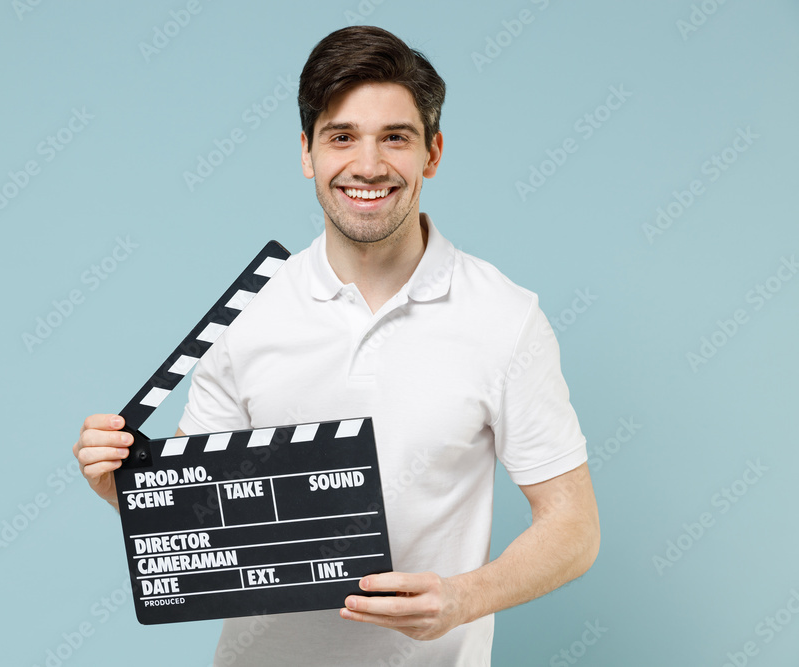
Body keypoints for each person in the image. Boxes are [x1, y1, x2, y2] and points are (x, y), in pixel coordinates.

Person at [73, 25, 599, 666]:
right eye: (341, 136)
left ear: (432, 154)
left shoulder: (504, 318)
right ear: (307, 153)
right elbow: (204, 522)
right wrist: (129, 490)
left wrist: (463, 598)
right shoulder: (244, 315)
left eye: (396, 138)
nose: (369, 165)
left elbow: (574, 529)